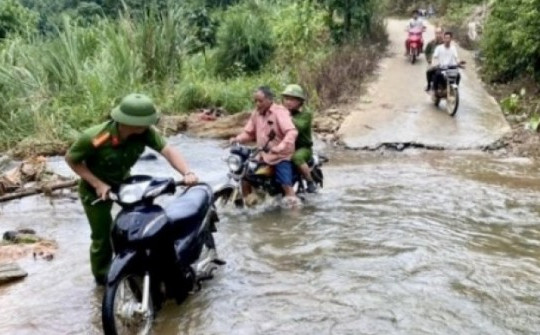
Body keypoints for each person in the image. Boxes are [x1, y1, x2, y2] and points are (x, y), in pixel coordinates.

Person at [66, 93, 199, 286]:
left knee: (140, 223)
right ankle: (104, 280)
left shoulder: (145, 133)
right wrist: (97, 184)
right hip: (94, 189)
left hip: (124, 185)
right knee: (102, 236)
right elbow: (71, 160)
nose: (147, 126)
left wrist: (187, 172)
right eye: (144, 122)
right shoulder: (96, 137)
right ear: (129, 122)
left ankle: (141, 265)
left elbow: (168, 150)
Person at [230, 86, 298, 201]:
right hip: (263, 156)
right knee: (246, 178)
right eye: (255, 101)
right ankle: (250, 206)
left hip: (280, 157)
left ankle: (295, 211)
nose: (257, 104)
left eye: (260, 101)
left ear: (269, 100)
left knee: (286, 186)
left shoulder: (279, 112)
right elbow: (249, 133)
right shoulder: (256, 114)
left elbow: (292, 132)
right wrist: (237, 139)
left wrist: (280, 147)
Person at [281, 84, 317, 193]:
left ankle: (310, 181)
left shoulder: (306, 114)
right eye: (286, 99)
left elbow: (298, 127)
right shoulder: (281, 112)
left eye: (292, 99)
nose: (288, 102)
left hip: (303, 148)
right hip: (285, 146)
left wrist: (285, 116)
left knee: (297, 157)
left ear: (300, 101)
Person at [424, 27, 445, 91]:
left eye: (440, 33)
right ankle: (429, 85)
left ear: (442, 33)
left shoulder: (445, 42)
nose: (438, 35)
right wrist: (429, 60)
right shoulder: (431, 43)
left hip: (444, 63)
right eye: (437, 33)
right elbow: (426, 52)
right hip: (434, 63)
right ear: (435, 34)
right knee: (428, 71)